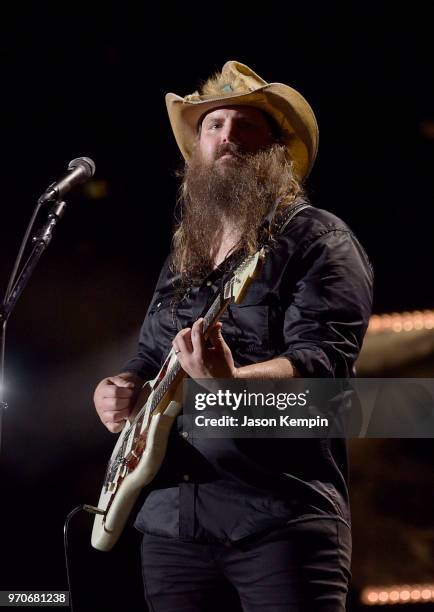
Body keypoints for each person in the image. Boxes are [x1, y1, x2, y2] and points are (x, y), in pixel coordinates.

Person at [94, 60, 373, 611]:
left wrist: (232, 382)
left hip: (278, 519)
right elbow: (151, 355)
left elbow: (326, 365)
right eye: (214, 126)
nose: (227, 137)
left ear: (275, 151)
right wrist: (118, 389)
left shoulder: (318, 238)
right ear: (194, 153)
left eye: (246, 125)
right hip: (172, 525)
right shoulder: (184, 257)